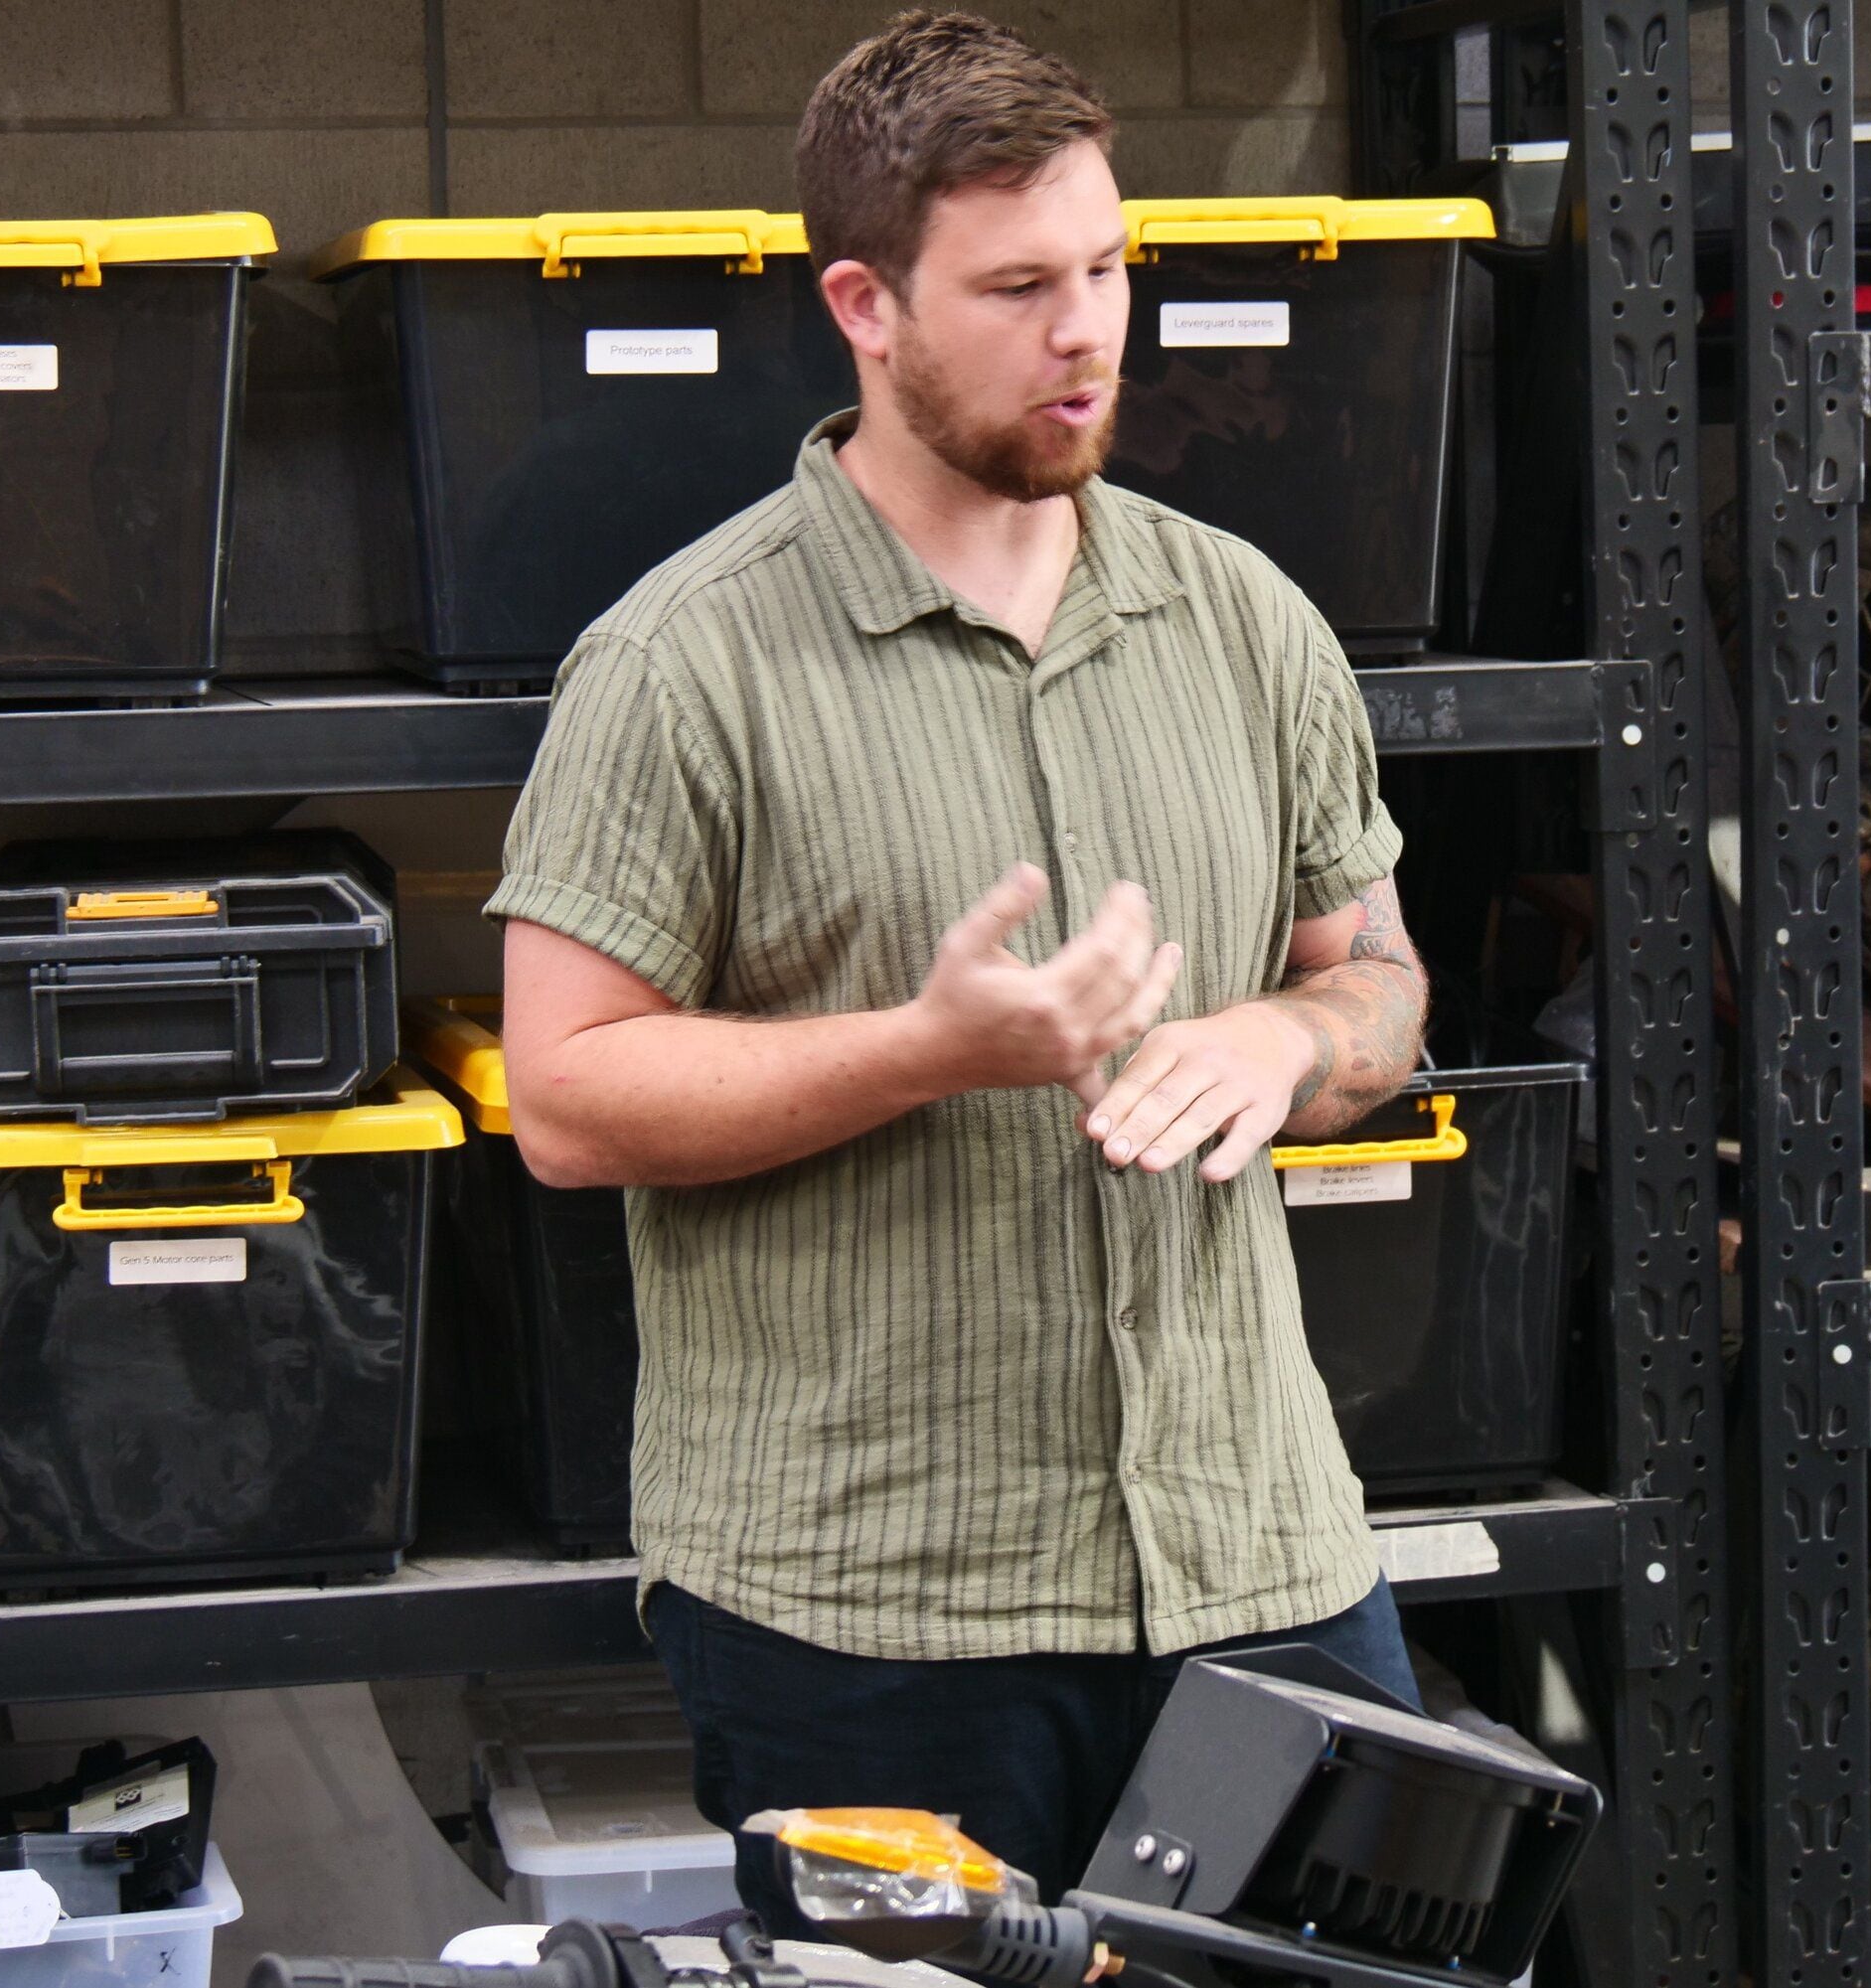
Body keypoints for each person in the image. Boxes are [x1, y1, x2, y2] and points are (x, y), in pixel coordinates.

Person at [487, 9, 1432, 1924]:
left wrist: (1283, 1030)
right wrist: (926, 1047)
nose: (1086, 330)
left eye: (1106, 268)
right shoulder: (682, 667)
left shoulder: (1243, 623)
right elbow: (566, 1098)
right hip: (871, 1623)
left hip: (1263, 1569)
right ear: (866, 303)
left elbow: (1390, 990)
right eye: (1016, 288)